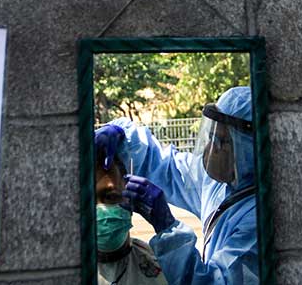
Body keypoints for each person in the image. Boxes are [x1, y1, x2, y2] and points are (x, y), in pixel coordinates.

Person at [95, 87, 258, 285]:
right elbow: (165, 166)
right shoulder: (222, 184)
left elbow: (213, 282)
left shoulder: (256, 219)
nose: (210, 149)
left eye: (221, 141)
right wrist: (123, 136)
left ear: (248, 151)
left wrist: (167, 228)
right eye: (211, 135)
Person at [95, 146, 167, 285]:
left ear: (131, 199)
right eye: (88, 200)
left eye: (110, 197)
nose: (100, 210)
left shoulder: (160, 267)